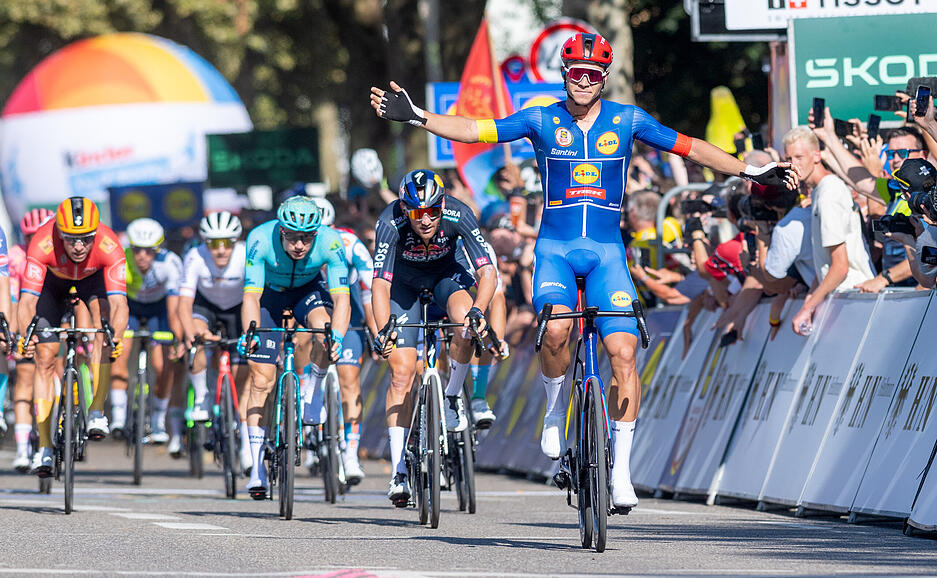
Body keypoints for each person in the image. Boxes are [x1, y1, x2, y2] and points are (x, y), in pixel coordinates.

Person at [370, 31, 797, 509]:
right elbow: (476, 130)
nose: (583, 82)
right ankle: (555, 411)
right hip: (555, 248)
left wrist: (748, 171)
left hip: (607, 252)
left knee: (624, 354)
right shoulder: (540, 118)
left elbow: (691, 148)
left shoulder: (628, 119)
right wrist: (419, 117)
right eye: (575, 73)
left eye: (592, 75)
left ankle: (621, 472)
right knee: (554, 332)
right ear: (565, 74)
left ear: (604, 78)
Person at [371, 169, 498, 505]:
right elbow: (381, 285)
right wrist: (385, 329)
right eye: (416, 213)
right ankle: (399, 470)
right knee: (401, 373)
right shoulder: (389, 222)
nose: (425, 220)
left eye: (431, 212)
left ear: (442, 205)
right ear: (404, 209)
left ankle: (454, 396)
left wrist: (479, 310)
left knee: (465, 322)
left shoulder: (459, 213)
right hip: (403, 285)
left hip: (447, 276)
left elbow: (487, 271)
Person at [239, 195, 350, 498]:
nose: (299, 245)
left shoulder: (331, 242)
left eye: (306, 238)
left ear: (317, 234)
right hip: (269, 296)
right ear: (281, 231)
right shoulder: (260, 239)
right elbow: (250, 296)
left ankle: (313, 391)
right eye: (292, 237)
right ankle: (257, 470)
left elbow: (342, 297)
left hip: (308, 292)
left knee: (325, 330)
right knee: (261, 380)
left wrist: (337, 337)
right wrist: (250, 333)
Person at [17, 197, 128, 476]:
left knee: (103, 331)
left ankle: (97, 411)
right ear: (59, 233)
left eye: (86, 239)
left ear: (96, 234)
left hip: (93, 281)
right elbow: (27, 301)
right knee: (44, 358)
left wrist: (116, 335)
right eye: (70, 239)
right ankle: (43, 447)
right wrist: (26, 336)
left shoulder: (109, 244)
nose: (79, 247)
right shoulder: (42, 242)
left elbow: (119, 304)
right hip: (52, 284)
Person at [309, 196, 378, 485]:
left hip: (346, 311)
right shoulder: (296, 248)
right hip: (311, 307)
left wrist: (377, 332)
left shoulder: (350, 244)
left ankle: (350, 452)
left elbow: (373, 287)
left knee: (350, 381)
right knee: (303, 342)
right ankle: (306, 393)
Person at [178, 211, 252, 471]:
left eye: (227, 243)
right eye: (214, 243)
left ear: (235, 241)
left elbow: (258, 296)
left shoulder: (245, 255)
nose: (220, 250)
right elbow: (184, 303)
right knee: (196, 338)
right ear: (205, 243)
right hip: (206, 306)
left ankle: (246, 444)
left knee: (243, 377)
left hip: (238, 307)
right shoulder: (195, 256)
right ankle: (202, 397)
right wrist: (188, 334)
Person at [784, 127, 874, 335]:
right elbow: (825, 262)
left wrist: (808, 307)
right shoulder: (819, 191)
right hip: (843, 297)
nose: (792, 164)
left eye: (799, 157)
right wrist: (812, 293)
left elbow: (840, 266)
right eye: (788, 158)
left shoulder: (827, 195)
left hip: (852, 296)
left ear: (817, 155)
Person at [110, 218, 184, 449]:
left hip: (159, 309)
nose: (142, 256)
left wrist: (177, 339)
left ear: (158, 249)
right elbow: (115, 302)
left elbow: (174, 310)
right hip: (130, 307)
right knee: (119, 356)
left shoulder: (170, 263)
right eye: (137, 250)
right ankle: (119, 418)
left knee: (163, 368)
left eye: (149, 251)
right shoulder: (121, 261)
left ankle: (158, 422)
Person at [8, 208, 53, 471]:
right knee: (25, 377)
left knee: (53, 369)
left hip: (51, 315)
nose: (33, 240)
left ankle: (56, 426)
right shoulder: (16, 257)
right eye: (28, 236)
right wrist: (16, 335)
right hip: (25, 317)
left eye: (39, 235)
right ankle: (24, 447)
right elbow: (13, 300)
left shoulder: (58, 253)